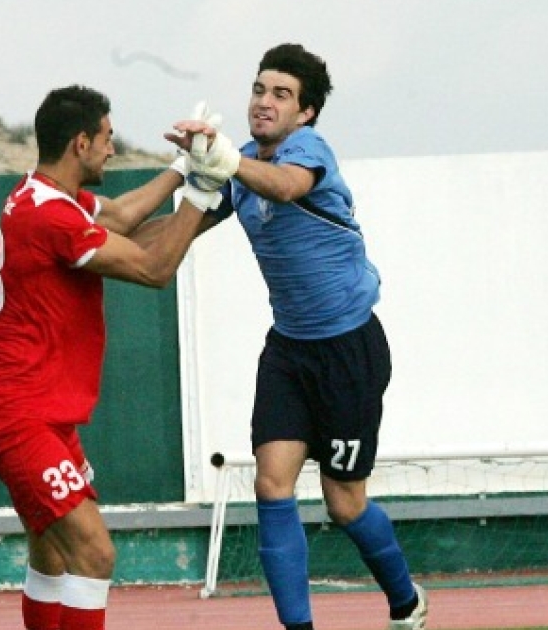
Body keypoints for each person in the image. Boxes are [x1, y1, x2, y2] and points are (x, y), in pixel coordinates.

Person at [166, 43, 428, 630]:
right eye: (259, 89)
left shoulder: (307, 151)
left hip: (349, 349)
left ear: (305, 113)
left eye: (281, 94)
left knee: (345, 504)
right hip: (288, 350)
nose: (264, 101)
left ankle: (406, 601)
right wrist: (96, 228)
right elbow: (176, 229)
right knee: (271, 484)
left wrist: (224, 160)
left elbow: (285, 186)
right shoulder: (240, 167)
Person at [0, 84, 224, 630]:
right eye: (107, 137)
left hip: (34, 410)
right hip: (20, 415)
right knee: (94, 553)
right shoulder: (53, 218)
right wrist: (202, 194)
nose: (112, 148)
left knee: (52, 551)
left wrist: (184, 170)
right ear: (80, 143)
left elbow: (126, 219)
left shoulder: (42, 196)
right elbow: (153, 267)